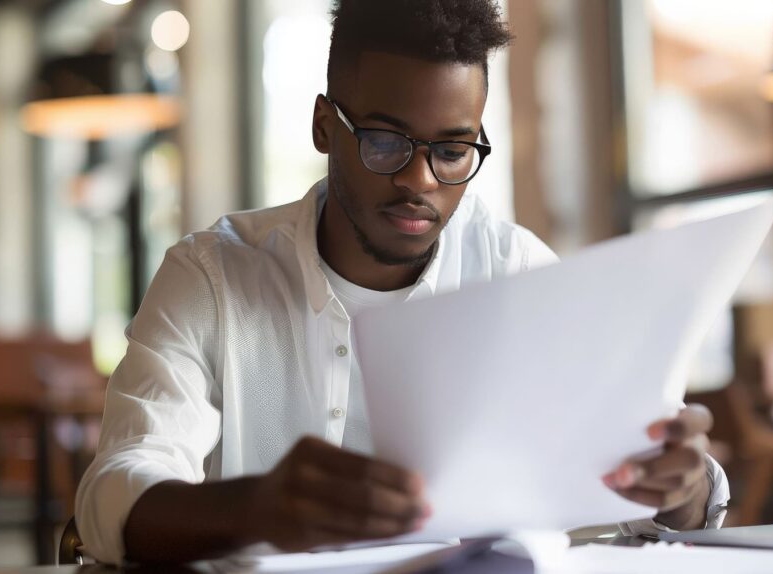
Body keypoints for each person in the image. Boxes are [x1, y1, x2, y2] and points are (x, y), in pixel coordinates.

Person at [76, 0, 729, 564]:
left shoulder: (515, 273)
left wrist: (682, 488)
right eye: (385, 142)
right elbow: (115, 493)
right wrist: (257, 508)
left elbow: (635, 487)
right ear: (324, 126)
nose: (419, 181)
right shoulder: (212, 276)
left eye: (452, 151)